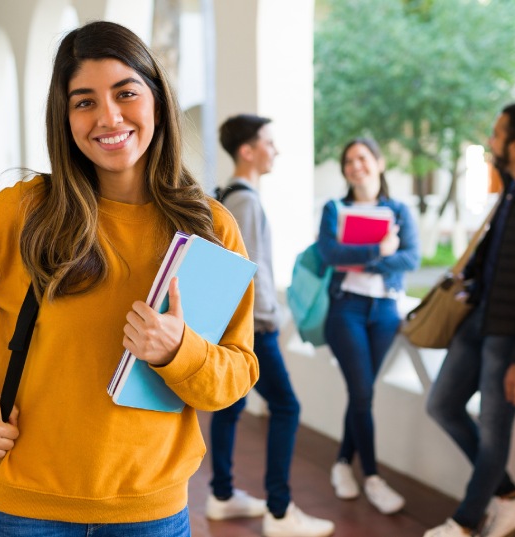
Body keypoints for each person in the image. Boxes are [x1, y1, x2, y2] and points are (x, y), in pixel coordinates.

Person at [0, 21, 259, 537]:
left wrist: (181, 351)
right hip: (23, 510)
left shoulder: (208, 227)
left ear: (156, 99)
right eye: (84, 101)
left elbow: (237, 373)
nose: (108, 117)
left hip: (150, 512)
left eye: (125, 93)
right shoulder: (25, 213)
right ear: (64, 118)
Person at [423, 103, 515, 537]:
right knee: (442, 404)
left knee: (493, 433)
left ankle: (465, 523)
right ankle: (509, 494)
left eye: (497, 133)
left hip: (512, 337)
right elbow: (496, 252)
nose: (491, 141)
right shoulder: (513, 189)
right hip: (480, 318)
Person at [207, 115, 335, 537]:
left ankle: (222, 497)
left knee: (232, 406)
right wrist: (268, 320)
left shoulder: (227, 194)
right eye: (269, 142)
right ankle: (279, 512)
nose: (275, 150)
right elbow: (248, 268)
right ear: (248, 150)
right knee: (286, 407)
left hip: (234, 324)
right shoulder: (245, 200)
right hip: (253, 327)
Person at [316, 137, 419, 514]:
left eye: (362, 158)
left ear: (379, 162)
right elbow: (330, 253)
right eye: (348, 160)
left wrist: (366, 261)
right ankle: (373, 477)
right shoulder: (335, 208)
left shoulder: (398, 211)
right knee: (361, 392)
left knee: (362, 394)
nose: (354, 165)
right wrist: (378, 251)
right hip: (347, 310)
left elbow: (412, 258)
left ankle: (343, 463)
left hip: (386, 312)